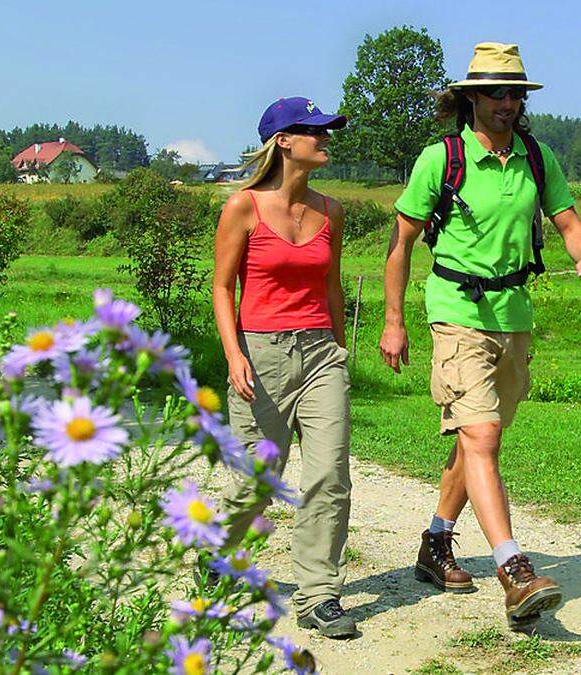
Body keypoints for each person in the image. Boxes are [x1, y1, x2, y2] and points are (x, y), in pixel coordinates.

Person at [379, 43, 581, 629]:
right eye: (495, 94)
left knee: (473, 438)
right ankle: (514, 569)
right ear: (470, 99)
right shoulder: (442, 159)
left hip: (514, 314)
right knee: (481, 435)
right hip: (456, 310)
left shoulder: (536, 156)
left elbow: (569, 223)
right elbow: (401, 244)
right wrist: (395, 320)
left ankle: (435, 543)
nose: (507, 104)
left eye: (516, 94)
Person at [211, 96, 358, 638]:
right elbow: (223, 288)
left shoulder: (331, 212)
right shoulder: (243, 208)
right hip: (261, 354)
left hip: (321, 354)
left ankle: (319, 595)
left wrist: (341, 355)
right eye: (313, 131)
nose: (325, 139)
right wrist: (233, 355)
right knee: (258, 479)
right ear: (283, 142)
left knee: (329, 473)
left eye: (326, 130)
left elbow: (332, 287)